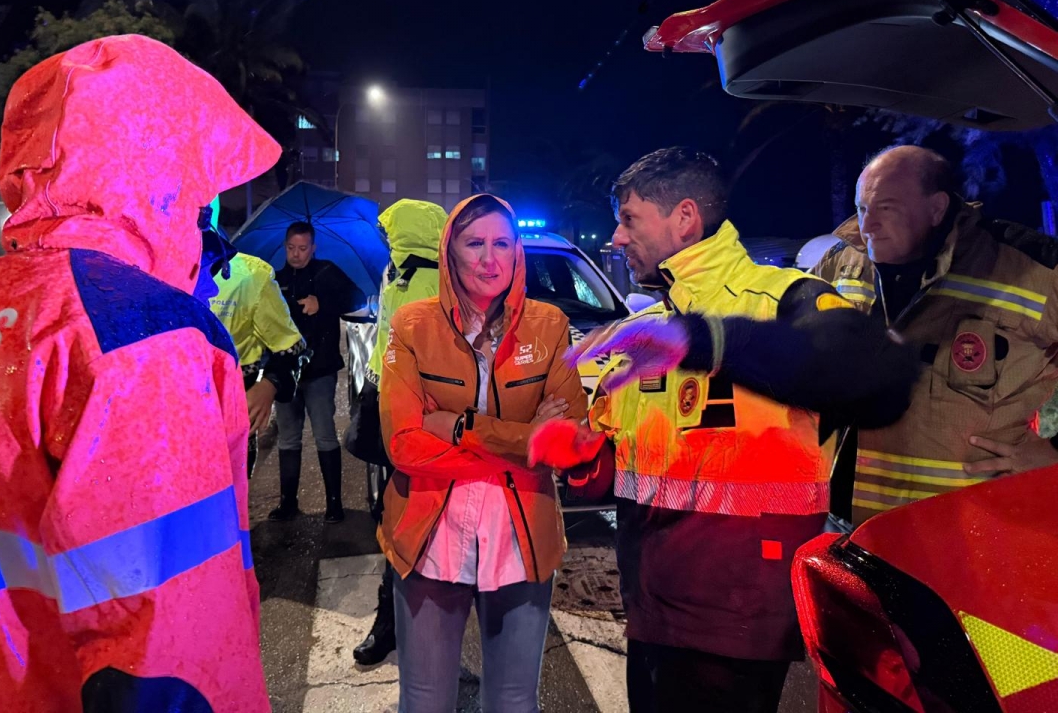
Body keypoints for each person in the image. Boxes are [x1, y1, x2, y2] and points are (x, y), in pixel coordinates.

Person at [0, 34, 282, 712]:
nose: (198, 213)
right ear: (158, 170)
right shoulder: (141, 335)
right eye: (195, 189)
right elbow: (162, 652)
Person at [554, 148, 919, 713]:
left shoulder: (784, 298)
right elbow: (632, 472)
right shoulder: (646, 328)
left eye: (629, 219)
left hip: (737, 622)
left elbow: (876, 375)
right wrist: (582, 459)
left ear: (684, 217)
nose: (617, 239)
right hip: (652, 613)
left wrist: (711, 342)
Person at [378, 194, 588, 713]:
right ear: (450, 251)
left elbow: (573, 440)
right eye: (475, 243)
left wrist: (461, 427)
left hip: (521, 538)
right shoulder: (411, 325)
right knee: (425, 701)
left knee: (515, 702)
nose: (489, 258)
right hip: (430, 536)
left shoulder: (549, 325)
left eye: (502, 243)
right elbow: (404, 445)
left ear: (517, 251)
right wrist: (523, 439)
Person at [813, 144, 1058, 525]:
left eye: (885, 208)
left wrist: (1055, 455)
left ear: (936, 208)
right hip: (845, 525)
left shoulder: (1029, 269)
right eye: (862, 208)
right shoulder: (841, 263)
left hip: (964, 534)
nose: (866, 225)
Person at [349, 198, 447, 666]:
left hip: (415, 421)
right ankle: (397, 622)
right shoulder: (400, 273)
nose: (384, 239)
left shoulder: (431, 281)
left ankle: (399, 626)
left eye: (391, 232)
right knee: (397, 519)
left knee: (409, 523)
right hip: (392, 408)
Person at [270, 221, 365, 523]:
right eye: (291, 248)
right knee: (288, 438)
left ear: (313, 248)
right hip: (285, 372)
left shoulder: (327, 272)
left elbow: (357, 298)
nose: (296, 255)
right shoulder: (274, 279)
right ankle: (287, 502)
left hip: (320, 370)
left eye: (302, 248)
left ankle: (334, 505)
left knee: (324, 435)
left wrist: (322, 303)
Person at [208, 240, 308, 476]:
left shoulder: (251, 275)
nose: (208, 289)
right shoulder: (146, 270)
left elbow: (290, 347)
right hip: (169, 424)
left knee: (231, 495)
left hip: (233, 411)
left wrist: (270, 383)